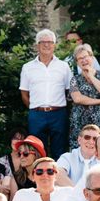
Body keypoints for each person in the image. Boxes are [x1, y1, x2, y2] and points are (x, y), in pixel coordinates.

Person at [20, 29, 72, 160]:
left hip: (58, 113)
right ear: (37, 45)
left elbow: (69, 90)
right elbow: (24, 93)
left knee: (60, 150)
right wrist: (35, 107)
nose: (46, 45)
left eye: (50, 42)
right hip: (37, 114)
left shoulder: (64, 66)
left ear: (54, 45)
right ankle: (37, 178)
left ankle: (59, 178)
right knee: (37, 150)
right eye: (43, 42)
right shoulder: (27, 67)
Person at [68, 44, 100, 149]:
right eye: (80, 59)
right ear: (77, 62)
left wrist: (91, 76)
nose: (83, 60)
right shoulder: (75, 79)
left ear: (91, 57)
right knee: (80, 148)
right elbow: (77, 98)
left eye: (85, 57)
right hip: (79, 120)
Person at [8, 135, 46, 200]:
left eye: (26, 153)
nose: (21, 157)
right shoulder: (16, 177)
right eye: (20, 154)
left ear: (36, 155)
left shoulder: (47, 175)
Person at [0, 127, 27, 199]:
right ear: (10, 140)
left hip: (26, 192)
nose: (17, 142)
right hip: (8, 194)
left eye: (21, 139)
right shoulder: (3, 160)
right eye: (15, 138)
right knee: (6, 180)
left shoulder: (28, 158)